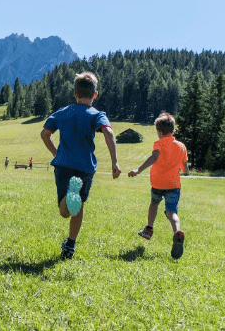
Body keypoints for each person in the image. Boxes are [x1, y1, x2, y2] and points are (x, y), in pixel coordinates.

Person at [40, 72, 121, 259]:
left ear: (75, 93)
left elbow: (45, 133)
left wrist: (56, 152)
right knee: (78, 206)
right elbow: (108, 132)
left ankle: (70, 196)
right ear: (95, 94)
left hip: (64, 164)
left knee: (65, 212)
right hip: (85, 167)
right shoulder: (96, 114)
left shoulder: (62, 112)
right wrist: (114, 162)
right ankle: (70, 244)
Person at [127, 111, 189, 259]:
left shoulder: (159, 144)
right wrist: (183, 170)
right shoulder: (181, 146)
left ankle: (148, 230)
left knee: (154, 203)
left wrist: (138, 170)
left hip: (158, 183)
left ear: (159, 132)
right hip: (174, 184)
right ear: (173, 131)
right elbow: (185, 168)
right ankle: (177, 231)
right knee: (171, 211)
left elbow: (154, 157)